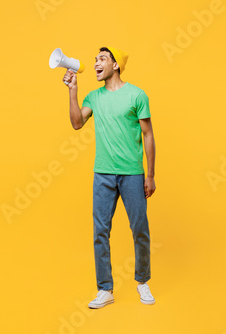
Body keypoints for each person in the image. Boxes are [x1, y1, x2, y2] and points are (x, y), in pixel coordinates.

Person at [63, 47, 156, 308]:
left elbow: (148, 135)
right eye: (95, 60)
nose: (95, 63)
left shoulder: (137, 95)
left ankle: (143, 281)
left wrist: (150, 175)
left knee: (139, 229)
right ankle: (105, 289)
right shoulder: (94, 97)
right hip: (102, 173)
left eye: (102, 59)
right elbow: (76, 123)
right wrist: (73, 91)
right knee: (100, 231)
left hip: (133, 175)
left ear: (116, 65)